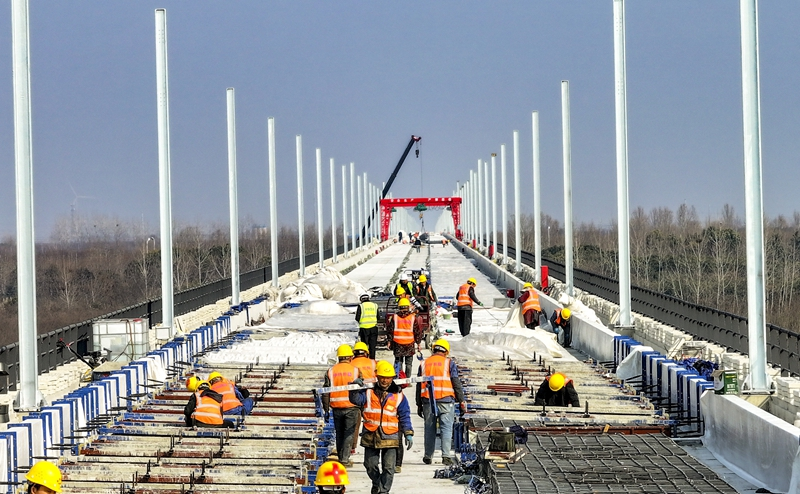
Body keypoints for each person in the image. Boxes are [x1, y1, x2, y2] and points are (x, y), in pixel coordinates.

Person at [349, 360, 413, 494]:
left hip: (390, 436)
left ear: (392, 378)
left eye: (388, 378)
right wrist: (354, 388)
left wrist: (408, 432)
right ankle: (377, 483)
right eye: (382, 377)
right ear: (377, 377)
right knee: (370, 465)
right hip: (371, 434)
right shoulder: (368, 392)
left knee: (389, 467)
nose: (385, 380)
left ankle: (383, 491)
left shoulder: (398, 396)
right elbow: (356, 400)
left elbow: (405, 415)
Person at [416, 339, 465, 466]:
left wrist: (418, 404)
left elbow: (418, 385)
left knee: (429, 429)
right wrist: (461, 401)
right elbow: (456, 382)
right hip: (446, 400)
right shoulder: (449, 363)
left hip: (428, 400)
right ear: (446, 351)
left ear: (434, 349)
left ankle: (428, 456)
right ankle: (446, 456)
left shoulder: (424, 363)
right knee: (446, 428)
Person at [322, 344, 360, 467]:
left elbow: (326, 392)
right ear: (350, 357)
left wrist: (326, 409)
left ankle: (341, 456)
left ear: (339, 357)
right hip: (352, 406)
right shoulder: (355, 371)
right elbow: (361, 389)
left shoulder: (331, 371)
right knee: (349, 433)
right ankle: (344, 459)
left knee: (339, 432)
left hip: (336, 407)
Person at [386, 298, 423, 380]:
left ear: (399, 307)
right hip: (409, 344)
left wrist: (389, 341)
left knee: (398, 362)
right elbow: (417, 331)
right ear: (408, 307)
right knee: (408, 363)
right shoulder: (413, 317)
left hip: (397, 343)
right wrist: (418, 343)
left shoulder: (395, 317)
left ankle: (399, 379)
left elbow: (390, 330)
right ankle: (407, 380)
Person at [355, 293, 379, 359]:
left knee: (364, 346)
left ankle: (365, 360)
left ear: (361, 300)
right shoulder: (375, 305)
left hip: (364, 329)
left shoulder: (361, 306)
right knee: (372, 346)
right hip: (373, 328)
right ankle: (372, 360)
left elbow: (357, 318)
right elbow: (378, 317)